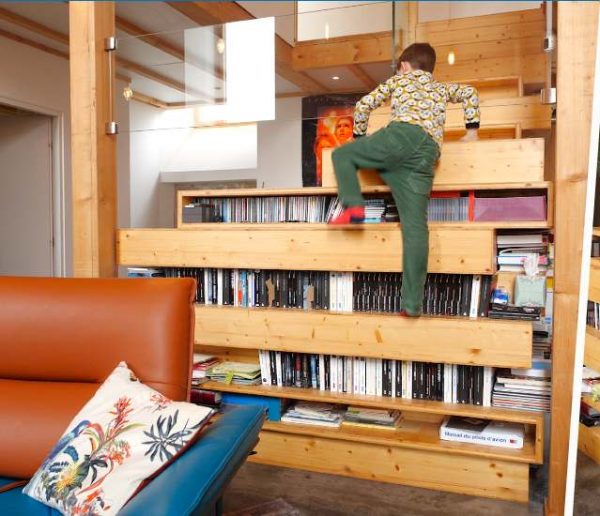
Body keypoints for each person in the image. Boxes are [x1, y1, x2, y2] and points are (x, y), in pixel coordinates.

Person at [328, 43, 480, 317]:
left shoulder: (400, 80)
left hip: (402, 137)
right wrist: (471, 131)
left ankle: (352, 208)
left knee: (343, 156)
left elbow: (364, 105)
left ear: (405, 66)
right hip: (426, 154)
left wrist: (361, 139)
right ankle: (411, 304)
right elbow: (469, 92)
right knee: (415, 229)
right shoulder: (440, 88)